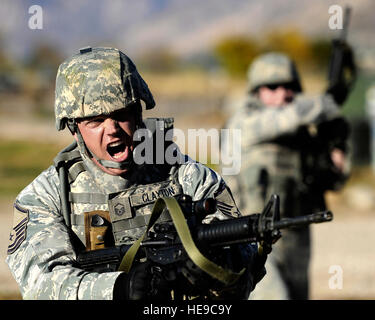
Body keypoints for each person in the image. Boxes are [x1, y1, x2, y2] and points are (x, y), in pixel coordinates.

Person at [6, 47, 265, 300]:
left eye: (121, 115)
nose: (112, 129)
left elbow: (246, 266)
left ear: (138, 114)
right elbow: (41, 284)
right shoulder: (46, 196)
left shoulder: (190, 178)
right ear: (75, 129)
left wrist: (213, 266)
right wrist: (120, 288)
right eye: (95, 120)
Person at [222, 52, 350, 300]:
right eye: (272, 86)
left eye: (290, 87)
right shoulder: (244, 123)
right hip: (252, 238)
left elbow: (336, 180)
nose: (283, 93)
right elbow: (284, 119)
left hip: (297, 239)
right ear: (256, 92)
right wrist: (328, 102)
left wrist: (336, 148)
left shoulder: (302, 136)